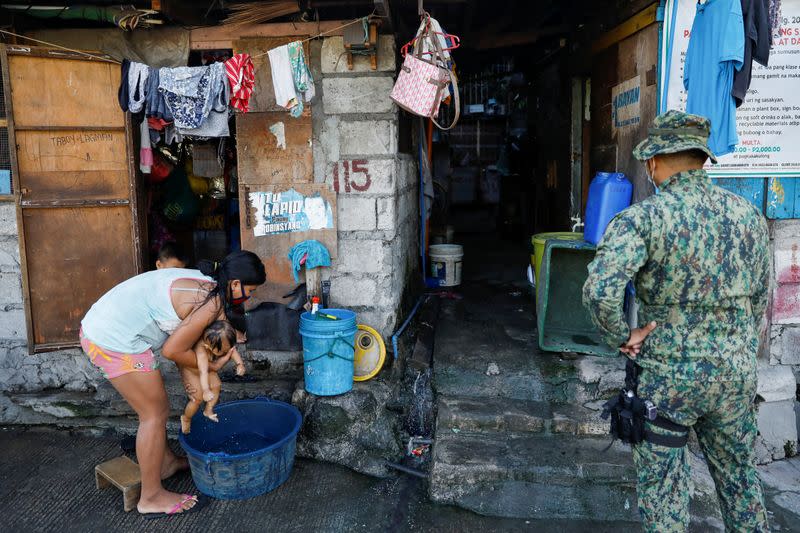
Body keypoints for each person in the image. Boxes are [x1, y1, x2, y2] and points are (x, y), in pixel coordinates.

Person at [582, 110, 770, 532]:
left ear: (653, 162)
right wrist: (734, 345)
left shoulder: (643, 219)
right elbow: (760, 296)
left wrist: (622, 336)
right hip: (734, 381)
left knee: (665, 502)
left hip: (669, 387)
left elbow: (600, 290)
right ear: (701, 159)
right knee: (741, 486)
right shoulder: (748, 217)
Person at [80, 250, 266, 518]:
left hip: (104, 324)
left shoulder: (208, 281)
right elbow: (172, 350)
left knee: (157, 409)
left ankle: (165, 463)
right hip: (112, 340)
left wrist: (191, 371)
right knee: (153, 414)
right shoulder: (210, 302)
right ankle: (151, 497)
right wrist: (211, 368)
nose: (250, 298)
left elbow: (183, 335)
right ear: (235, 284)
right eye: (250, 291)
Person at [179, 320, 246, 434]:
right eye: (222, 351)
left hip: (208, 369)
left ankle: (208, 410)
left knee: (216, 384)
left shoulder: (221, 341)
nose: (226, 352)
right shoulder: (202, 352)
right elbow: (203, 371)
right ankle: (186, 418)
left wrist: (240, 364)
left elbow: (232, 351)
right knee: (197, 398)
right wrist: (205, 390)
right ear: (208, 346)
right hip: (194, 372)